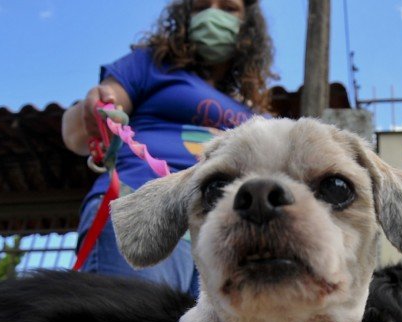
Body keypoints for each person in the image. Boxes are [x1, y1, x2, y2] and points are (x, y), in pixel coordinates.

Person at [62, 0, 275, 296]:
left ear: (248, 25)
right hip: (143, 209)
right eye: (202, 6)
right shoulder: (150, 64)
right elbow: (76, 134)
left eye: (228, 8)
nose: (213, 15)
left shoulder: (258, 114)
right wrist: (92, 109)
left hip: (225, 239)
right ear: (185, 17)